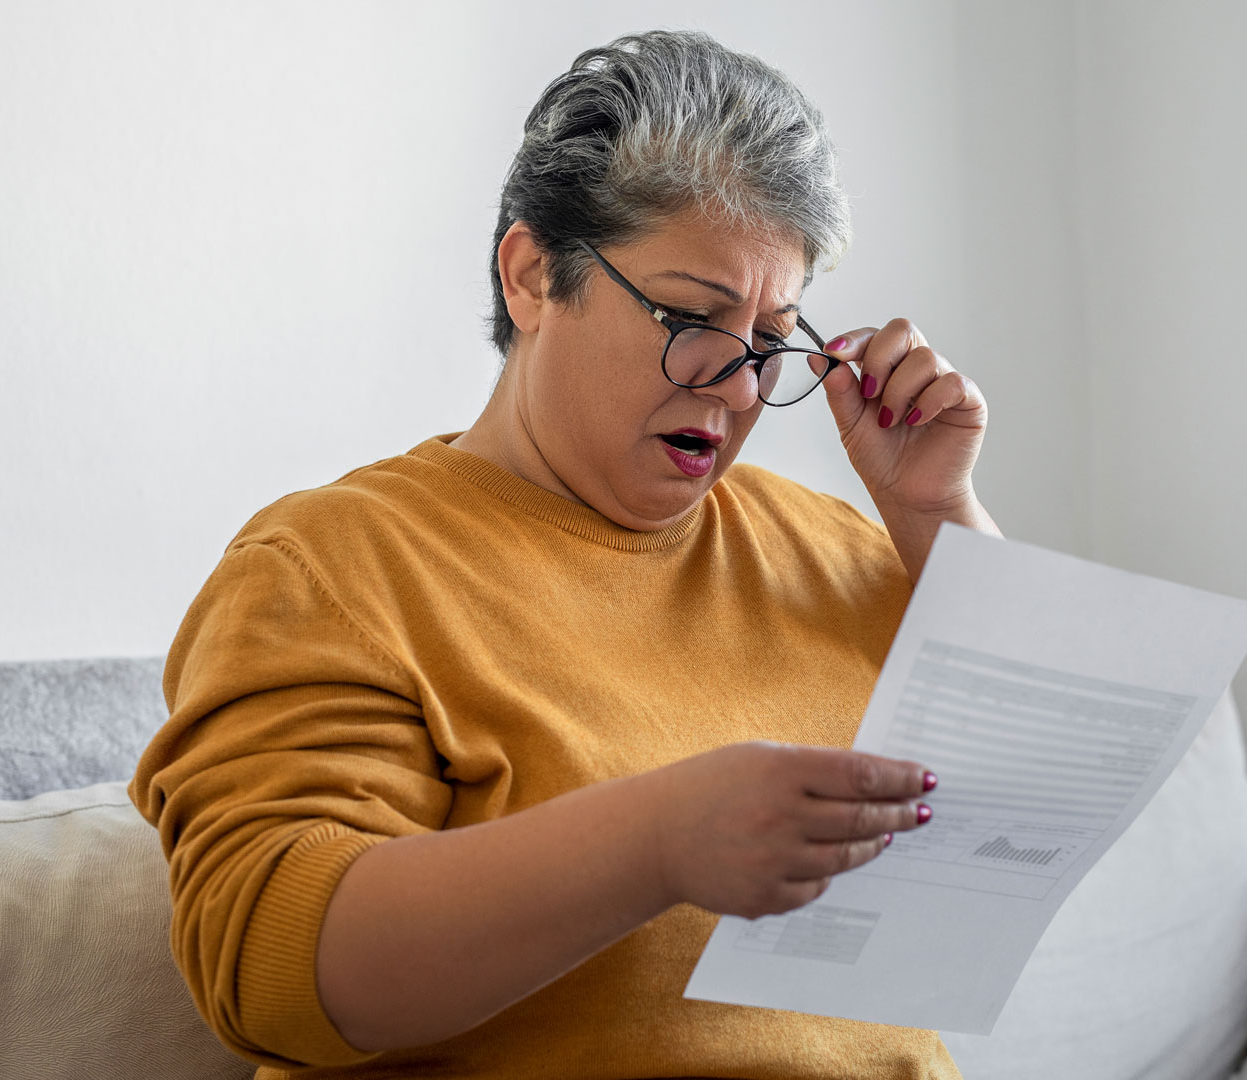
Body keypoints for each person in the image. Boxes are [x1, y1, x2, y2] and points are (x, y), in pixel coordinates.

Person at [130, 28, 999, 1080]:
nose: (737, 385)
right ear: (534, 274)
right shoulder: (335, 564)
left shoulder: (828, 543)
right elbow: (269, 978)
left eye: (775, 337)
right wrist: (661, 842)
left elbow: (1029, 809)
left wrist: (934, 510)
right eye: (693, 317)